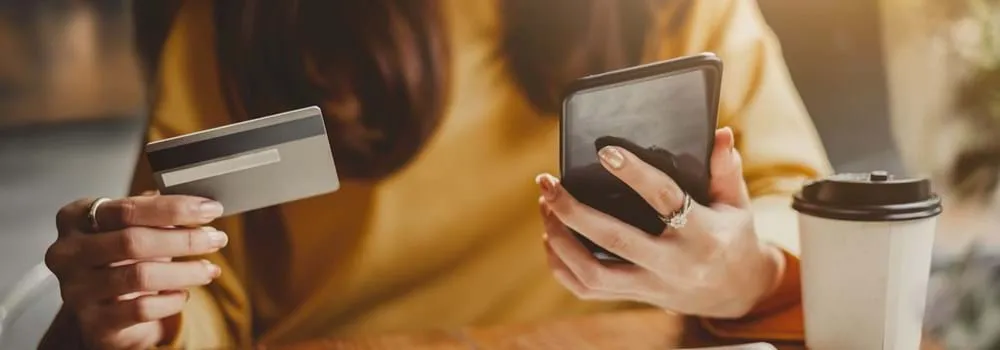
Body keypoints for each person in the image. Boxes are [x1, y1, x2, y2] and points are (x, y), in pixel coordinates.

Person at [40, 0, 831, 348]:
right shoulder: (239, 27)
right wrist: (146, 313)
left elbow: (803, 210)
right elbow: (199, 294)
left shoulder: (682, 8)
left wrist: (746, 274)